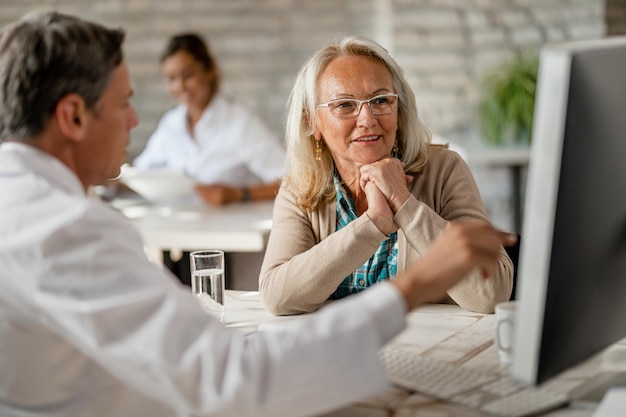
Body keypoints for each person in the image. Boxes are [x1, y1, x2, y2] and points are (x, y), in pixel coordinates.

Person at [0, 11, 515, 417]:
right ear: (71, 115)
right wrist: (412, 283)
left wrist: (405, 207)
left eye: (382, 100)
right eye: (124, 104)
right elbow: (234, 378)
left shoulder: (27, 205)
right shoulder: (71, 229)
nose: (135, 119)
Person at [259, 36, 514, 316]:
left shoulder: (444, 170)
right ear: (312, 122)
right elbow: (277, 297)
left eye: (381, 100)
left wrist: (405, 204)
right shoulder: (301, 185)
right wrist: (372, 225)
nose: (367, 120)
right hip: (340, 351)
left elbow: (491, 294)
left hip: (431, 350)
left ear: (399, 110)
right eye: (344, 105)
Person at [133, 33, 285, 206]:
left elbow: (292, 182)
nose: (180, 86)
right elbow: (140, 172)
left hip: (233, 228)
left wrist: (237, 194)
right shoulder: (171, 124)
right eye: (171, 79)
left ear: (210, 70)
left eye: (188, 75)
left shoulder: (241, 122)